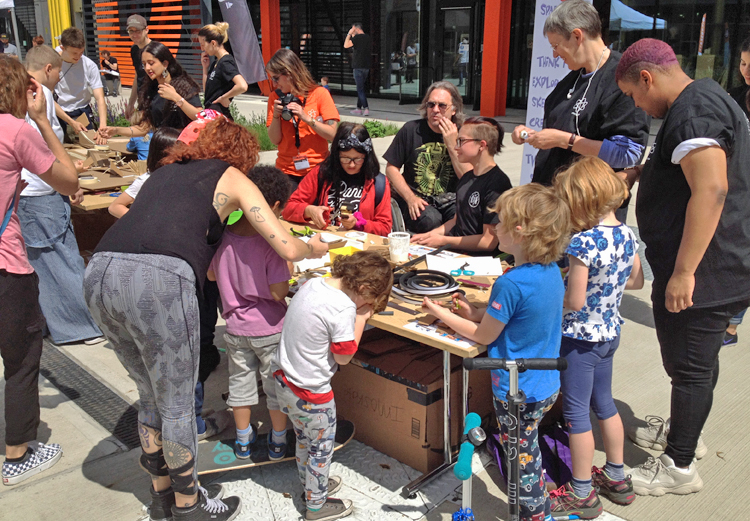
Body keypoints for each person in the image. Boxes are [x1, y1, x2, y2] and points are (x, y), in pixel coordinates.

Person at [84, 117, 329, 521]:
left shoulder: (164, 173)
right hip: (159, 280)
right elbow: (284, 245)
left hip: (101, 271)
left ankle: (163, 495)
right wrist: (313, 247)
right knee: (178, 405)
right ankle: (189, 507)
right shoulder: (232, 177)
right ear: (244, 155)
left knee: (150, 396)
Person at [615, 38, 750, 496]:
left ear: (647, 77)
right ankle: (684, 435)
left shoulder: (693, 112)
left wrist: (684, 271)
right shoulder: (707, 96)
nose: (639, 106)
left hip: (707, 270)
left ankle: (679, 466)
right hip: (723, 263)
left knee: (689, 366)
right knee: (699, 361)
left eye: (634, 96)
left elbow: (710, 190)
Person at [421, 184, 572, 521]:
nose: (494, 229)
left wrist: (438, 310)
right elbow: (516, 319)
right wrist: (474, 310)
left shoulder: (510, 283)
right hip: (545, 384)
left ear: (519, 231)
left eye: (500, 223)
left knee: (523, 460)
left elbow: (483, 335)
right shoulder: (549, 272)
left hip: (516, 390)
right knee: (526, 448)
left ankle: (535, 514)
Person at [548, 157, 643, 519]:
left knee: (576, 415)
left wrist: (549, 305)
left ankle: (581, 491)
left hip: (580, 339)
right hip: (609, 332)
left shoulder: (583, 243)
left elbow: (573, 301)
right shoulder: (626, 234)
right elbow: (635, 282)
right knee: (605, 404)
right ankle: (617, 477)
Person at [0, 55, 78, 486]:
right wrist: (42, 121)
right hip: (6, 266)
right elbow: (68, 180)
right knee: (22, 358)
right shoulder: (14, 131)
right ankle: (17, 454)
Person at [273, 250, 392, 521]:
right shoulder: (343, 307)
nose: (368, 304)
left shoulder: (313, 283)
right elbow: (344, 357)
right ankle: (316, 506)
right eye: (371, 299)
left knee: (304, 441)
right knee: (320, 451)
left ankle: (311, 486)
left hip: (285, 381)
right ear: (363, 288)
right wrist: (361, 319)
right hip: (312, 394)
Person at [511, 0, 650, 223]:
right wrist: (532, 135)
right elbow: (561, 126)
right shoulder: (573, 78)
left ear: (577, 36)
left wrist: (565, 140)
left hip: (588, 211)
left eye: (556, 45)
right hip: (554, 205)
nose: (555, 55)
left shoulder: (621, 79)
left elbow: (628, 153)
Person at [16, 45, 104, 346]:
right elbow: (43, 144)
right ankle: (81, 325)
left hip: (31, 189)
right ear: (50, 69)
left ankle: (50, 322)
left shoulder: (23, 92)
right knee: (61, 259)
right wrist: (68, 178)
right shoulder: (38, 93)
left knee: (39, 263)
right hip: (41, 190)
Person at [207, 166, 293, 461]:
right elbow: (279, 292)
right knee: (275, 387)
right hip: (270, 327)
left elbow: (211, 275)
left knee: (240, 384)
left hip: (234, 327)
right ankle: (279, 439)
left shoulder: (223, 236)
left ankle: (243, 440)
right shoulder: (271, 244)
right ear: (276, 207)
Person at [410, 117, 511, 252]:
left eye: (461, 141)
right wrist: (429, 236)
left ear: (481, 145)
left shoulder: (497, 184)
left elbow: (488, 242)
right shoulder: (467, 178)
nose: (456, 147)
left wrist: (444, 241)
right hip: (455, 252)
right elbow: (456, 221)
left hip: (477, 261)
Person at [383, 81, 468, 234]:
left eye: (442, 105)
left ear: (454, 109)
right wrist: (410, 198)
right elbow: (391, 169)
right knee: (430, 220)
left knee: (465, 220)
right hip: (418, 198)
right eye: (431, 105)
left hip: (450, 200)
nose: (435, 110)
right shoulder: (411, 129)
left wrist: (451, 144)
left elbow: (469, 178)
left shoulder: (464, 134)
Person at [282, 122, 392, 236]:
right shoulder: (321, 174)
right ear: (336, 155)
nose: (352, 165)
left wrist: (358, 224)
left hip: (361, 248)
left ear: (367, 157)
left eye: (358, 159)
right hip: (325, 243)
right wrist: (309, 211)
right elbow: (287, 208)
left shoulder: (378, 182)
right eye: (345, 158)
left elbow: (385, 228)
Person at [266, 48, 340, 185]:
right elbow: (274, 140)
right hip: (286, 170)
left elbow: (332, 134)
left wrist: (306, 118)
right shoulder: (275, 97)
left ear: (289, 73)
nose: (275, 84)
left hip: (317, 169)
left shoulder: (319, 94)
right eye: (272, 79)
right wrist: (276, 116)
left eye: (276, 78)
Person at [100, 41, 202, 139]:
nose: (147, 68)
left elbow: (200, 116)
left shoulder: (184, 86)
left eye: (151, 63)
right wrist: (116, 130)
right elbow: (143, 128)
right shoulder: (150, 89)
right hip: (161, 145)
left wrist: (177, 98)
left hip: (183, 146)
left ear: (165, 64)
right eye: (144, 64)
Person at [723, 35, 750, 346]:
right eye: (743, 64)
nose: (746, 70)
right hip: (735, 185)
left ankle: (732, 326)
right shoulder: (734, 96)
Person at [109, 127, 180, 219]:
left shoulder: (183, 176)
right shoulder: (147, 180)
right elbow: (115, 207)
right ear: (162, 155)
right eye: (177, 155)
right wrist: (141, 221)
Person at [55, 27, 108, 139]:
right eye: (74, 53)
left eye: (81, 52)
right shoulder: (52, 62)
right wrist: (71, 122)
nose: (78, 56)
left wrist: (103, 125)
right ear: (62, 48)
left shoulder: (89, 65)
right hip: (60, 111)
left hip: (82, 110)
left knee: (90, 146)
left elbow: (100, 98)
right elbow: (48, 97)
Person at [198, 22, 248, 120]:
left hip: (218, 115)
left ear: (213, 43)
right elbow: (207, 91)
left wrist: (224, 97)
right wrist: (205, 69)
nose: (202, 49)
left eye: (203, 45)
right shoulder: (216, 63)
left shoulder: (226, 62)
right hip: (211, 113)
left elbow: (242, 86)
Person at [125, 14, 152, 119]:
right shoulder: (134, 50)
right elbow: (138, 75)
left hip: (156, 102)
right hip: (142, 101)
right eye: (131, 31)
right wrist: (131, 103)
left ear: (146, 30)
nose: (134, 34)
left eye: (138, 31)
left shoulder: (156, 49)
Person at [344, 23, 371, 116]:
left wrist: (349, 34)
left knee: (360, 89)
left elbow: (346, 45)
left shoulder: (357, 38)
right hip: (366, 66)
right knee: (362, 87)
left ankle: (366, 108)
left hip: (358, 66)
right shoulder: (368, 37)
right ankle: (358, 108)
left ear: (355, 28)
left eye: (353, 29)